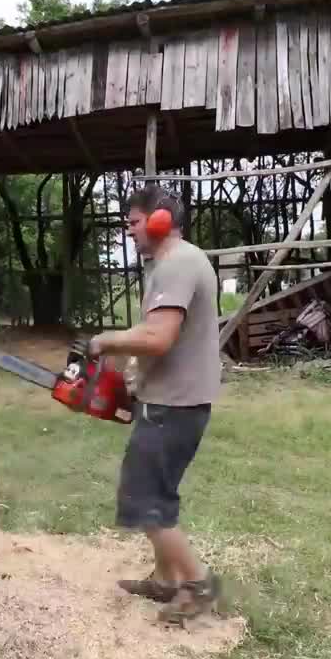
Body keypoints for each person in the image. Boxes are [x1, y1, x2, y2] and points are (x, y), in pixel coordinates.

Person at [86, 183, 222, 624]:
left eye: (134, 223)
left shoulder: (177, 263)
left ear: (160, 220)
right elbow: (161, 338)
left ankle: (198, 586)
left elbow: (158, 337)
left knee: (145, 499)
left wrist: (105, 340)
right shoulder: (177, 263)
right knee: (155, 495)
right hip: (171, 398)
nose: (129, 232)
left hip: (174, 405)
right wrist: (130, 378)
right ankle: (165, 581)